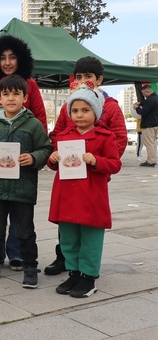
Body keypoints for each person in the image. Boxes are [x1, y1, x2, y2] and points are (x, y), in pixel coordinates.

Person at [0, 35, 48, 272]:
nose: (7, 62)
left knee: (20, 211)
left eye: (12, 57)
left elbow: (40, 120)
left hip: (21, 164)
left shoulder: (30, 84)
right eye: (2, 58)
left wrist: (34, 154)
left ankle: (16, 253)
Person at [45, 56, 128, 275]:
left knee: (88, 221)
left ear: (99, 79)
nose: (83, 80)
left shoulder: (109, 106)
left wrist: (99, 164)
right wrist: (58, 156)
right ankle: (66, 260)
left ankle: (87, 271)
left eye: (88, 76)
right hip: (69, 174)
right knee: (68, 222)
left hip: (94, 175)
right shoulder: (69, 104)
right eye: (79, 76)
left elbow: (118, 140)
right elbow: (59, 135)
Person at [0, 75, 53, 288]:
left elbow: (46, 148)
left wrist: (34, 158)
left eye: (16, 94)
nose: (11, 98)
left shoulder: (33, 124)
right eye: (6, 94)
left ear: (25, 97)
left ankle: (30, 266)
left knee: (25, 230)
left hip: (23, 189)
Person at [134, 84, 158, 167]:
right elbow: (146, 103)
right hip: (156, 124)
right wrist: (140, 103)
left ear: (147, 92)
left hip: (148, 125)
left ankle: (151, 161)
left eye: (144, 94)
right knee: (153, 143)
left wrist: (136, 107)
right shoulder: (156, 98)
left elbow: (142, 112)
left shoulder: (149, 100)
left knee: (149, 143)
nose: (143, 95)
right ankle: (152, 159)